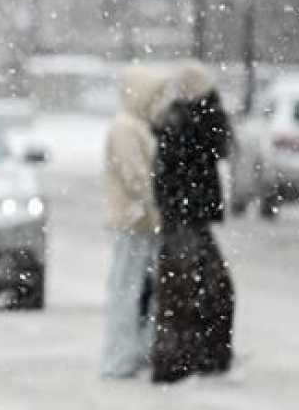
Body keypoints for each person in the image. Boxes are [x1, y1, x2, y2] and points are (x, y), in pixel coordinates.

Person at [150, 62, 236, 383]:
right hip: (188, 217)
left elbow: (167, 173)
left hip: (182, 216)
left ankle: (183, 357)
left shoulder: (179, 120)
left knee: (184, 290)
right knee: (192, 290)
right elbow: (217, 148)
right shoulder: (196, 121)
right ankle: (192, 357)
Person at [101, 65, 168, 379]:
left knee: (137, 289)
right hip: (135, 221)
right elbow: (136, 177)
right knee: (128, 290)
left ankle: (134, 352)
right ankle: (121, 356)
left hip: (140, 220)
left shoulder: (136, 126)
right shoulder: (127, 128)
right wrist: (154, 205)